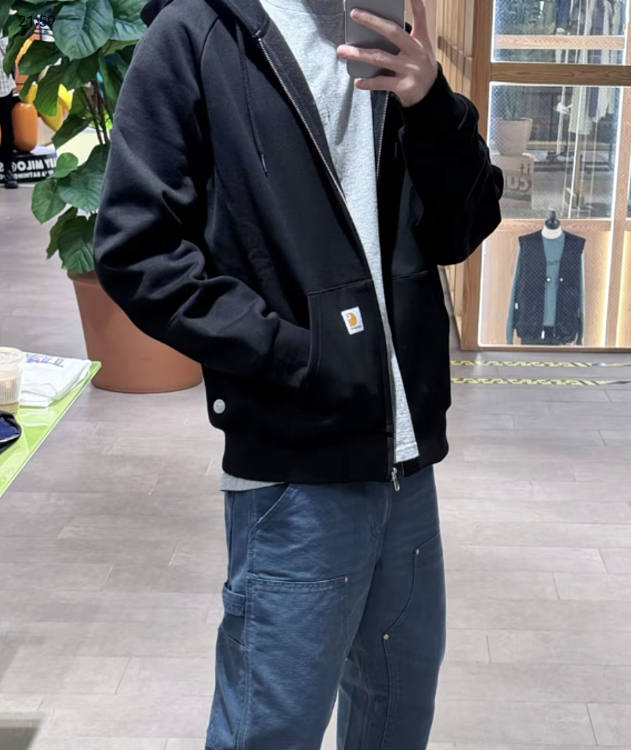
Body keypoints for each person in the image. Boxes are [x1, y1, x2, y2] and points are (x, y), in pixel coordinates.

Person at [93, 0, 503, 746]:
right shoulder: (196, 34)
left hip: (406, 464)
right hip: (294, 469)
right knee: (270, 730)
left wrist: (430, 103)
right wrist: (294, 357)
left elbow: (459, 230)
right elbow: (137, 248)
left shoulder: (387, 32)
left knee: (397, 716)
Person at [0, 34, 19, 189]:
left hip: (3, 85)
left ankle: (8, 170)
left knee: (7, 129)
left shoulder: (3, 27)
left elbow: (10, 53)